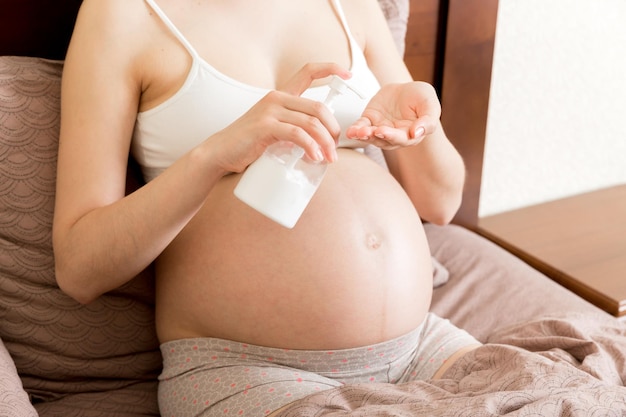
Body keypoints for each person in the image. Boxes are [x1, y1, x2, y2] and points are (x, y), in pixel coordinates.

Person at [53, 0, 480, 415]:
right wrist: (215, 154)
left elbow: (441, 202)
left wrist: (423, 120)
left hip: (421, 346)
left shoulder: (350, 5)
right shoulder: (120, 13)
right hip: (251, 371)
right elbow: (80, 268)